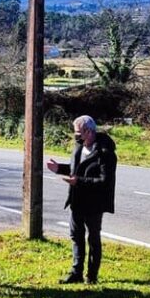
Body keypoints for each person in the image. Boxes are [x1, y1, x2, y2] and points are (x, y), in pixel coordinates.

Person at [47, 115, 117, 285]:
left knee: (93, 238)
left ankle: (91, 276)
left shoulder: (105, 152)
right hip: (76, 200)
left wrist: (79, 181)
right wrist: (59, 169)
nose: (75, 135)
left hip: (94, 204)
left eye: (78, 132)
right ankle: (76, 273)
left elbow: (104, 181)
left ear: (88, 131)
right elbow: (75, 170)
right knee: (76, 236)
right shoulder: (78, 147)